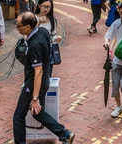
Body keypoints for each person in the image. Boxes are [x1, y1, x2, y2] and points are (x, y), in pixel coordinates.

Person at [13, 12, 75, 144]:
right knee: (37, 113)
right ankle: (64, 134)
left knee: (18, 116)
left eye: (19, 26)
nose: (17, 28)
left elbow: (38, 72)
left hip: (34, 84)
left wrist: (35, 98)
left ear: (28, 27)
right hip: (44, 81)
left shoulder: (35, 45)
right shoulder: (43, 31)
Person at [35, 0, 62, 76]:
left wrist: (56, 38)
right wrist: (38, 23)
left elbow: (52, 36)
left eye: (48, 7)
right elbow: (28, 35)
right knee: (35, 75)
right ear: (39, 6)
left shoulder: (52, 20)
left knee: (47, 76)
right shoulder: (33, 18)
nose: (46, 9)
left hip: (48, 52)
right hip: (35, 52)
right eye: (44, 6)